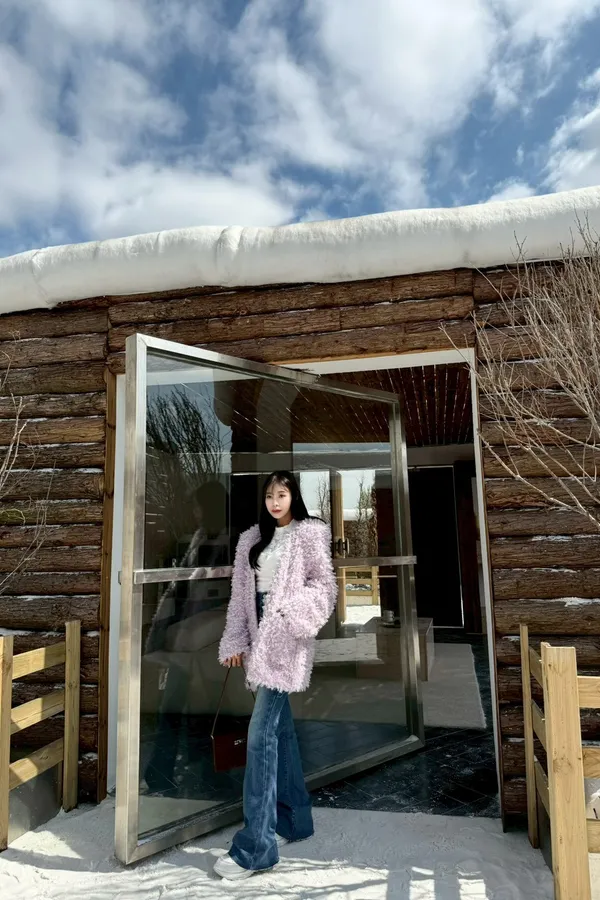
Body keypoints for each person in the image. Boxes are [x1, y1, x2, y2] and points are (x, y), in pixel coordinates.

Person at [213, 470, 337, 881]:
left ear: (293, 496)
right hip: (258, 634)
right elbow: (240, 598)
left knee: (261, 736)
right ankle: (294, 821)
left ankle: (256, 848)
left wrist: (288, 615)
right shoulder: (252, 539)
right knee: (279, 732)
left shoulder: (309, 533)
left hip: (285, 635)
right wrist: (235, 639)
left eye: (281, 494)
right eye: (269, 495)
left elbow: (324, 587)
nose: (275, 502)